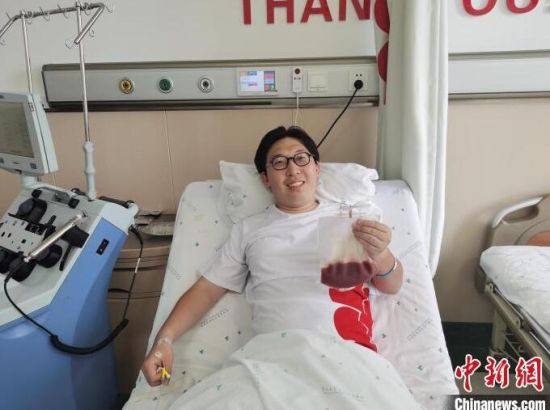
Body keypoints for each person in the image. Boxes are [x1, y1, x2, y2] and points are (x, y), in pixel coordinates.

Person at [141, 126, 403, 386]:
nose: (293, 169)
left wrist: (382, 254)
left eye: (301, 158)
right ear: (265, 179)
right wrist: (164, 340)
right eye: (279, 162)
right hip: (269, 361)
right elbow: (207, 290)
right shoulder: (249, 229)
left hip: (347, 356)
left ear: (316, 168)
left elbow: (391, 285)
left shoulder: (351, 221)